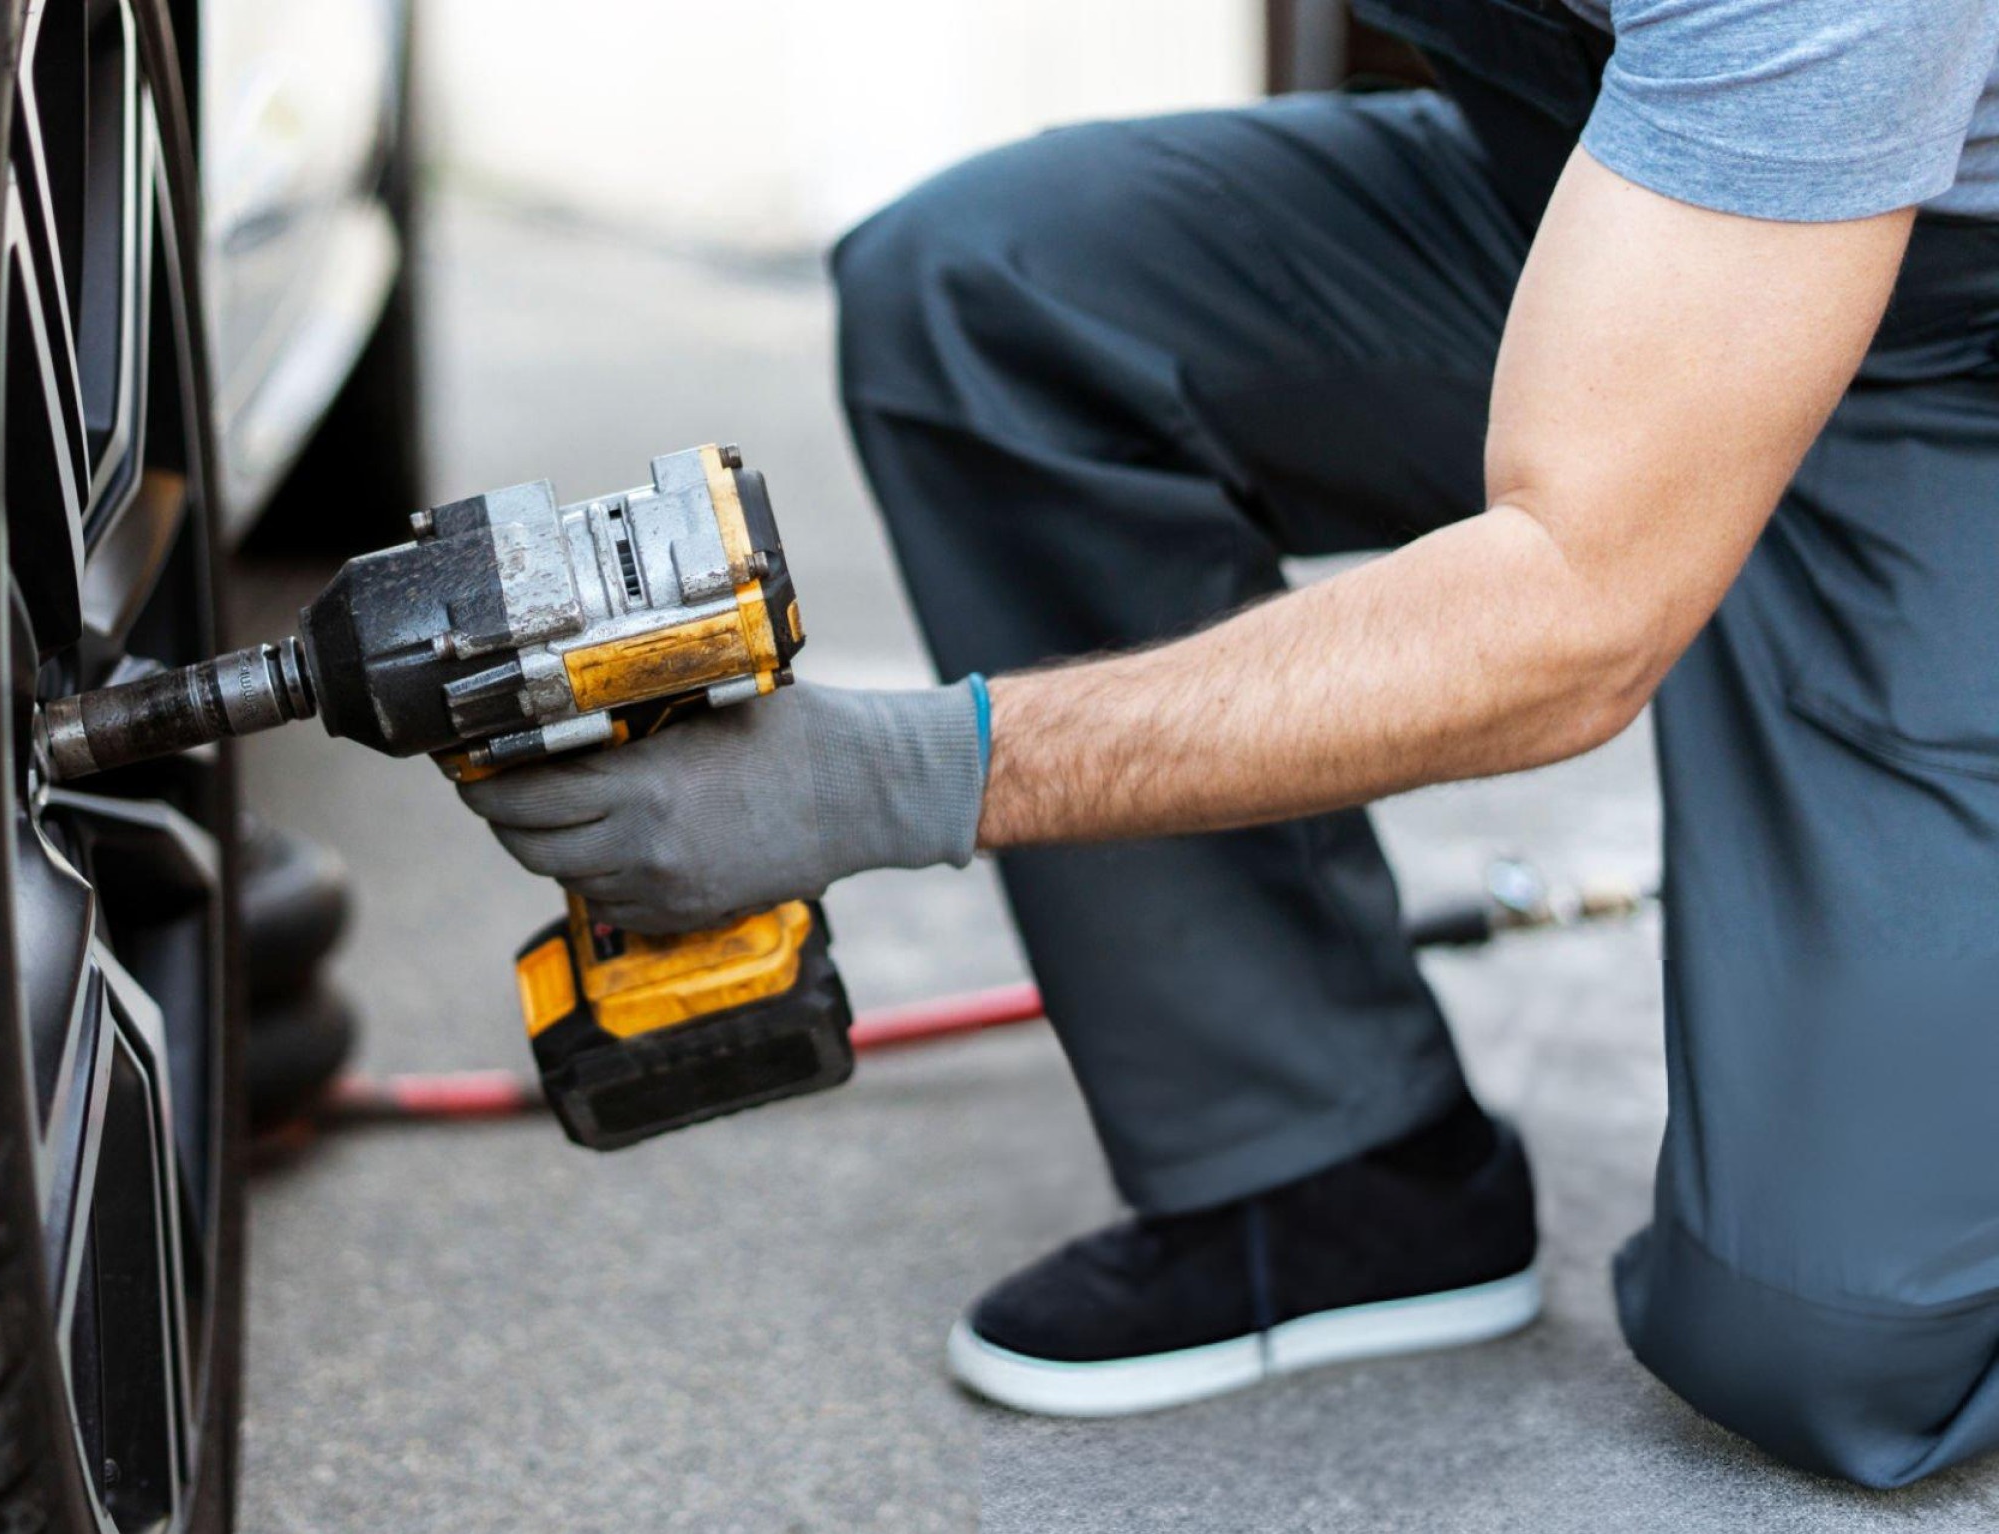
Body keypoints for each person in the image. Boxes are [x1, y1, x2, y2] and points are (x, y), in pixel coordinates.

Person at [457, 0, 1999, 1490]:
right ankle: (1322, 1158)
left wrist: (894, 775)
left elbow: (1575, 615)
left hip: (1957, 353)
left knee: (1835, 1341)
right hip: (1632, 222)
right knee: (990, 290)